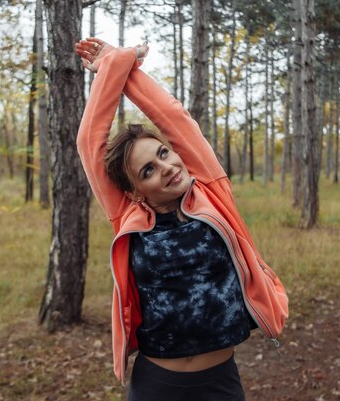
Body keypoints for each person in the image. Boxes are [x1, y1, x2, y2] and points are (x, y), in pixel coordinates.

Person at [74, 38, 288, 401]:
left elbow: (172, 115)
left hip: (220, 384)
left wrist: (120, 63)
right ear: (135, 191)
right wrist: (116, 65)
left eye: (163, 153)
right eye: (148, 170)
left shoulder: (212, 194)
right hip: (157, 385)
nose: (167, 168)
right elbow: (88, 141)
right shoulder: (129, 217)